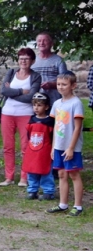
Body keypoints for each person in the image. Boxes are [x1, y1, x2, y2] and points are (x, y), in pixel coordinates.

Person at [0, 47, 41, 187]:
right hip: (7, 113)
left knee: (26, 147)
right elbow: (3, 90)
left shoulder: (35, 76)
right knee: (7, 147)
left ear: (32, 61)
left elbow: (31, 97)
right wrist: (21, 91)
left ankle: (24, 177)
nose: (23, 61)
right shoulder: (11, 73)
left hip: (26, 114)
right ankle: (8, 177)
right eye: (21, 58)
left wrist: (12, 93)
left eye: (27, 59)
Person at [46, 72, 84, 217]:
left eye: (64, 84)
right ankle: (63, 204)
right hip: (59, 146)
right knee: (61, 174)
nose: (60, 87)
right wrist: (53, 147)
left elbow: (77, 128)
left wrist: (71, 148)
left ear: (73, 86)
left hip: (71, 147)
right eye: (58, 84)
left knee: (73, 174)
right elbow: (56, 126)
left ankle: (78, 206)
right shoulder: (57, 104)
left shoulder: (76, 103)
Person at [23, 93, 55, 201]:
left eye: (39, 105)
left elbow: (53, 137)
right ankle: (32, 190)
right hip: (32, 151)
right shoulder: (32, 120)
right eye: (34, 105)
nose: (36, 108)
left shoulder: (50, 122)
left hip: (45, 152)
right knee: (32, 171)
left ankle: (48, 192)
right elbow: (29, 136)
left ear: (46, 107)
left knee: (46, 171)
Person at [33, 32, 67, 106]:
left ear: (51, 43)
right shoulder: (32, 61)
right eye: (39, 41)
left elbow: (65, 82)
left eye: (45, 40)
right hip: (36, 103)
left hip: (54, 101)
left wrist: (52, 85)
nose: (42, 43)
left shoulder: (59, 61)